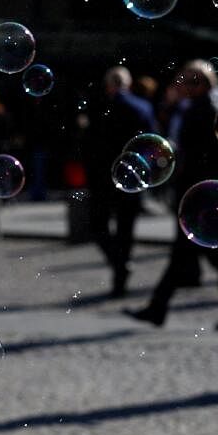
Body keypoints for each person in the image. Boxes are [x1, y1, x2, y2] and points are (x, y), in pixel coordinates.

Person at [127, 61, 218, 327]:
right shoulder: (195, 108)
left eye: (186, 81)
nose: (179, 86)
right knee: (186, 254)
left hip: (205, 196)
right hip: (197, 194)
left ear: (201, 84)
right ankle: (158, 307)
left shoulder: (209, 111)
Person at [87, 66, 159, 297]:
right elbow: (153, 143)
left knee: (98, 226)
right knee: (125, 230)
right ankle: (121, 279)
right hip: (133, 177)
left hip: (104, 177)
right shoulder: (143, 107)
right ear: (127, 84)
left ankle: (120, 266)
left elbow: (91, 145)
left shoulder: (101, 108)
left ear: (109, 85)